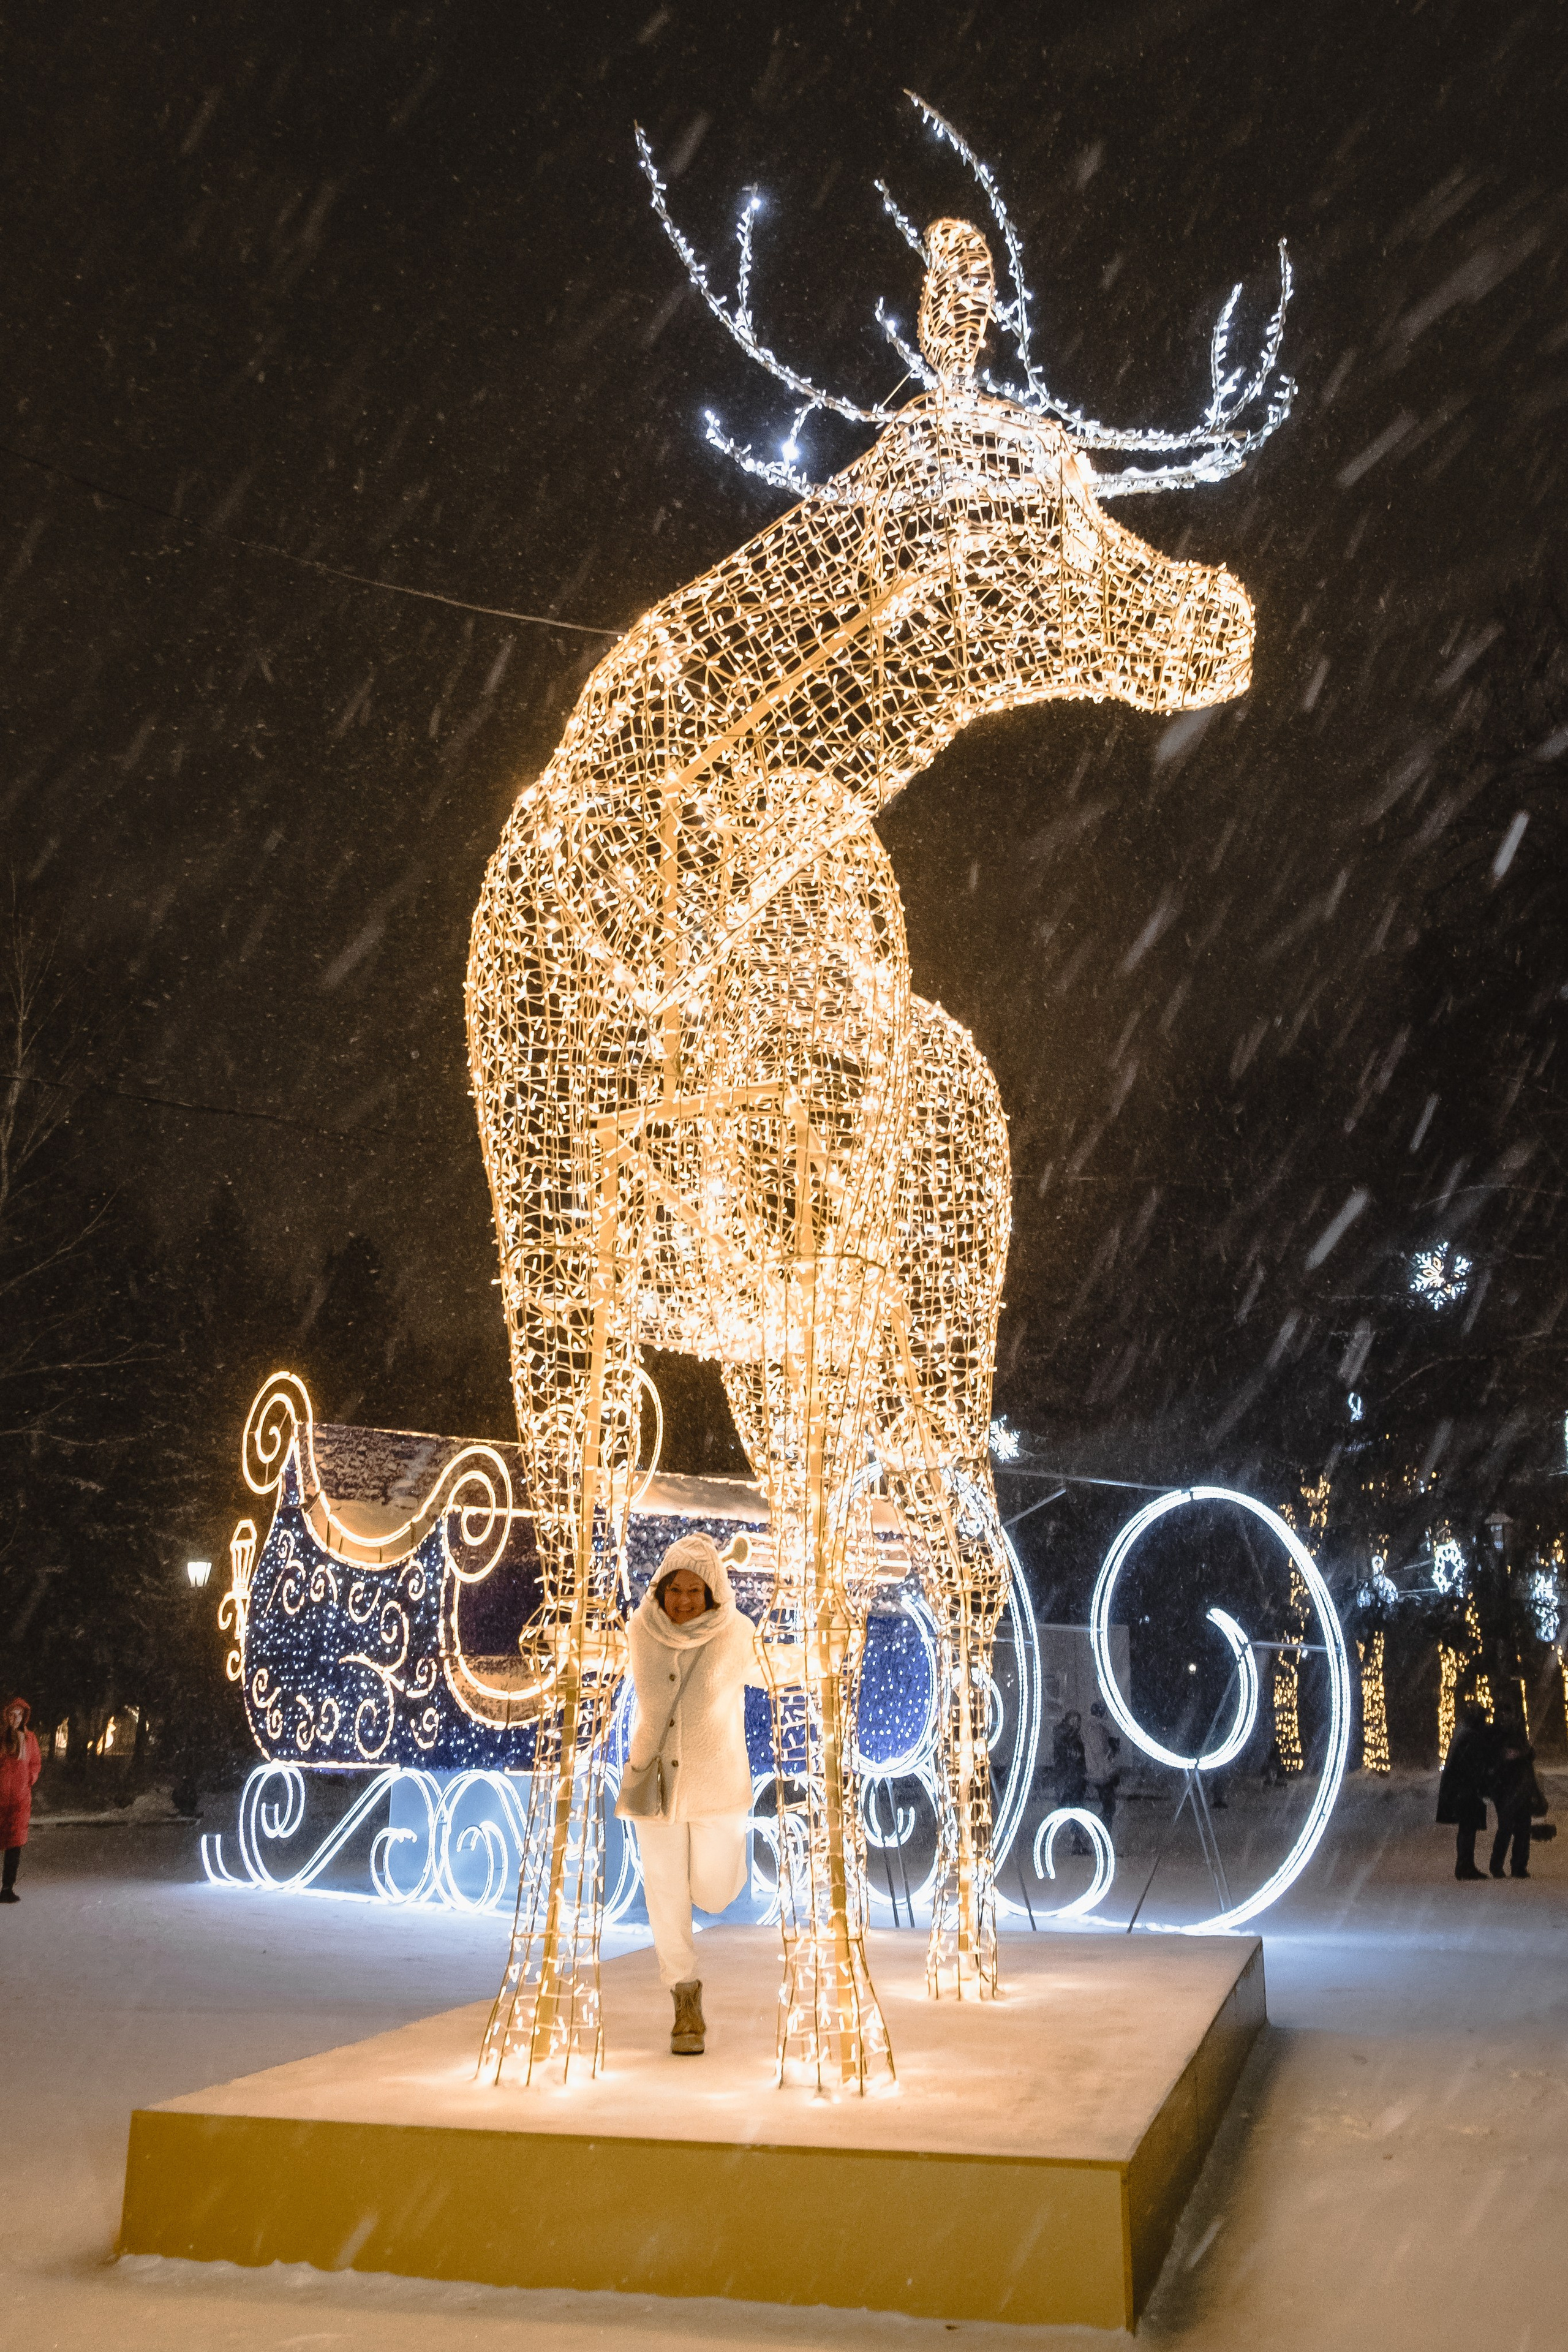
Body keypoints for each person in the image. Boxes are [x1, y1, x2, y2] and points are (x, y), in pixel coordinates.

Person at [619, 1532, 791, 2057]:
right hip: (656, 1788)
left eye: (696, 1590)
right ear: (662, 1588)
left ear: (713, 1591)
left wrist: (825, 1656)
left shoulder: (737, 1634)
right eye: (676, 1588)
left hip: (719, 1789)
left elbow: (776, 1668)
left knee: (714, 1893)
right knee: (665, 1897)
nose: (684, 1600)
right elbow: (605, 1658)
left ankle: (716, 1886)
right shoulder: (639, 1631)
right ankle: (684, 2000)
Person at [1436, 1698, 1500, 1880]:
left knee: (1467, 1828)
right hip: (1466, 1790)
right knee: (1468, 1828)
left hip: (1461, 1789)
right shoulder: (1472, 1738)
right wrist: (1483, 1786)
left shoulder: (1465, 1734)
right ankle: (1465, 1866)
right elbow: (1474, 1766)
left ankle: (1465, 1865)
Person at [1, 1697, 42, 1903]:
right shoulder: (0, 1737)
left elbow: (35, 1763)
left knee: (14, 1845)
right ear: (6, 1716)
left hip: (19, 1800)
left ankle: (7, 1888)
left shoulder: (30, 1739)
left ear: (24, 1717)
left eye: (19, 1714)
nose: (15, 1718)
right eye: (12, 1714)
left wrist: (30, 1779)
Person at [1488, 1720, 1542, 1880]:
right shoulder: (1506, 1764)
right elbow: (1497, 1783)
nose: (1512, 1753)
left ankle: (1517, 1867)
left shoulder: (1522, 1763)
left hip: (1519, 1799)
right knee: (1508, 1832)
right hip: (1508, 1800)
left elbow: (1530, 1781)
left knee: (1521, 1833)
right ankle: (1501, 1866)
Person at [1051, 1708, 1091, 1853]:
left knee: (1069, 1809)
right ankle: (1074, 1841)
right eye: (1074, 1721)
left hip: (1073, 1779)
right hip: (1070, 1779)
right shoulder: (1066, 1735)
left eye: (1078, 1721)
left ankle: (1076, 1841)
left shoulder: (1070, 1736)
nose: (1077, 1724)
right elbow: (1072, 1756)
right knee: (1070, 1809)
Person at [1083, 1699, 1123, 1831]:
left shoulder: (1092, 1728)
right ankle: (1103, 1834)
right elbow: (1101, 1753)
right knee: (1109, 1807)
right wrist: (1112, 1750)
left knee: (1108, 1807)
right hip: (1101, 1774)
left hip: (1099, 1773)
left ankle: (1103, 1834)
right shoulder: (1097, 1729)